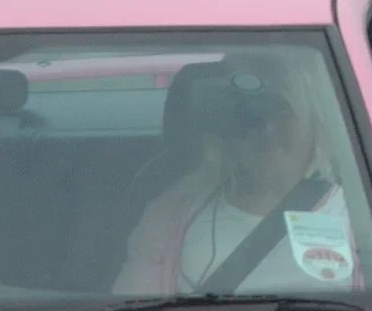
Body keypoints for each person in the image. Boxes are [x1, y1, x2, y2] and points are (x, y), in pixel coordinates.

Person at [113, 54, 359, 296]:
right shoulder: (171, 216)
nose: (267, 129)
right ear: (224, 125)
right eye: (250, 115)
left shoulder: (363, 217)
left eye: (281, 109)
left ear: (313, 120)